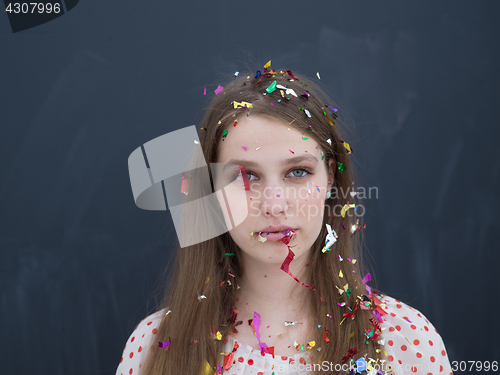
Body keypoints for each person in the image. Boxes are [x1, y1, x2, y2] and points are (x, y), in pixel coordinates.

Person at [116, 64, 453, 375]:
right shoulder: (151, 348)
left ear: (330, 180)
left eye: (298, 172)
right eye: (244, 176)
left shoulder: (406, 342)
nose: (275, 205)